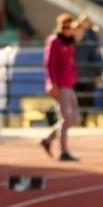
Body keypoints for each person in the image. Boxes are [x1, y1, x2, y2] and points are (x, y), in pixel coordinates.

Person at [40, 14, 81, 162]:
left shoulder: (69, 42)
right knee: (67, 118)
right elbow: (50, 64)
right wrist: (52, 83)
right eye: (67, 27)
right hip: (60, 84)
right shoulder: (55, 41)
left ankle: (48, 139)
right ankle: (63, 151)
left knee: (74, 119)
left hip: (69, 84)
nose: (69, 30)